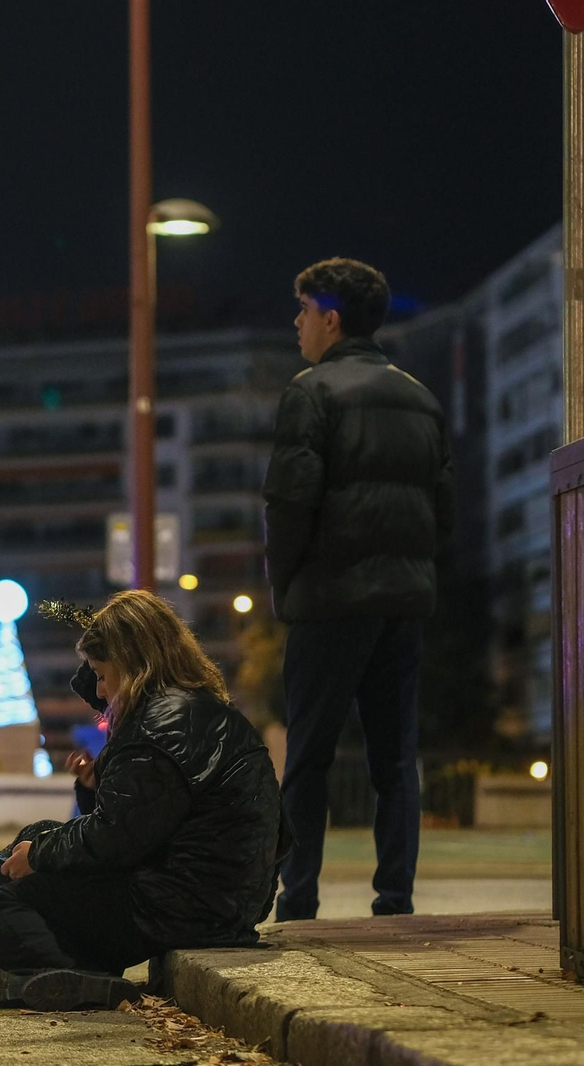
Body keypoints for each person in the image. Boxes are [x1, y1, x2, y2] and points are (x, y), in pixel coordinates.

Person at [0, 590, 286, 1011]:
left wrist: (42, 856)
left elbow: (120, 838)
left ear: (133, 662)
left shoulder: (158, 726)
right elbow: (144, 825)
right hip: (216, 900)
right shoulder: (194, 711)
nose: (99, 690)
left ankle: (68, 976)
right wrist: (88, 794)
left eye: (104, 675)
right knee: (37, 838)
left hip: (186, 906)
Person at [263, 258, 453, 922]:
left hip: (329, 599)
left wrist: (284, 586)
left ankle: (298, 899)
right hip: (402, 603)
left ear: (331, 319)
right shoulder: (421, 397)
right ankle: (393, 900)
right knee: (396, 760)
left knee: (307, 757)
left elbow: (288, 504)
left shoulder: (311, 393)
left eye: (304, 312)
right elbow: (444, 509)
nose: (297, 324)